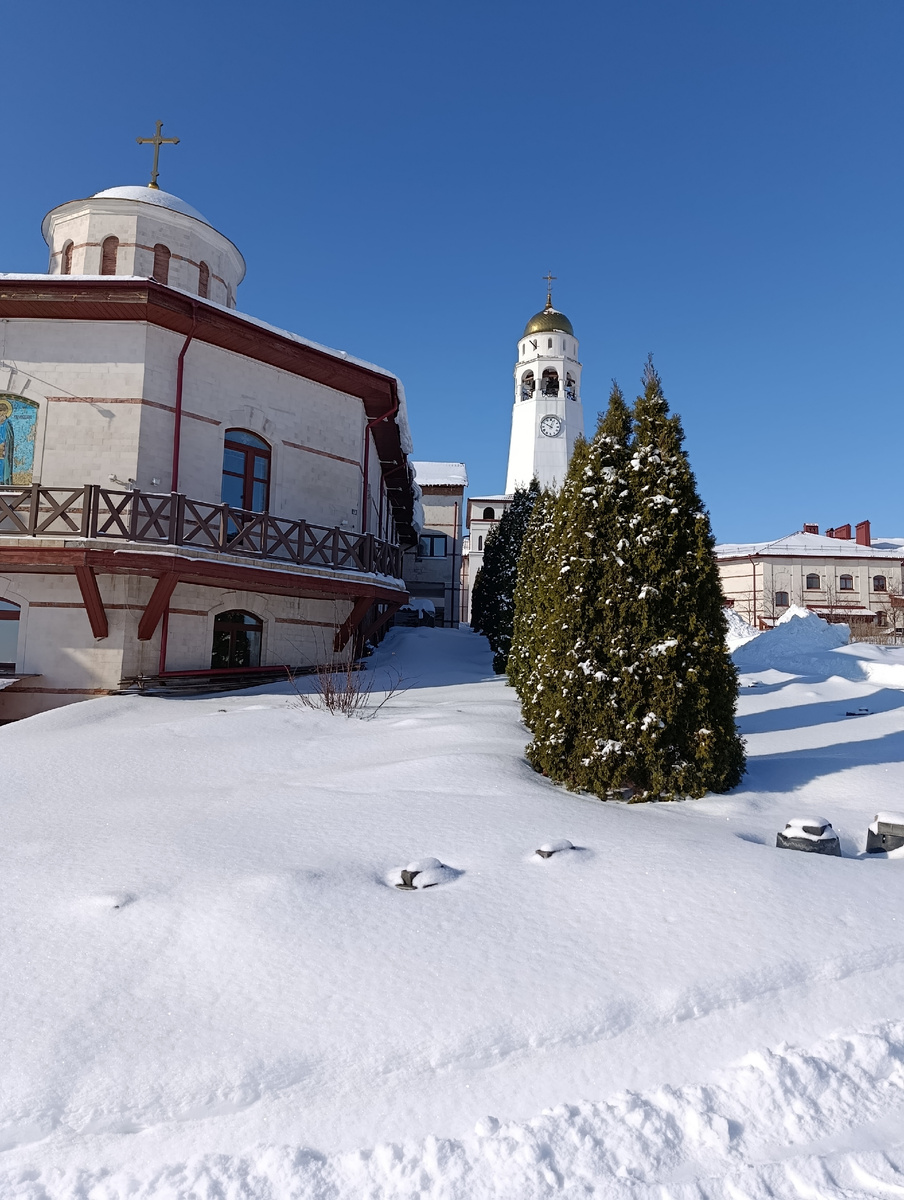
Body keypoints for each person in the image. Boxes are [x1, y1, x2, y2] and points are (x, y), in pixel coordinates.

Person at [0, 398, 15, 486]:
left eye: (1, 411)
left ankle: (4, 482)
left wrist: (4, 444)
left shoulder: (7, 423)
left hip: (3, 449)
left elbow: (9, 437)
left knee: (4, 466)